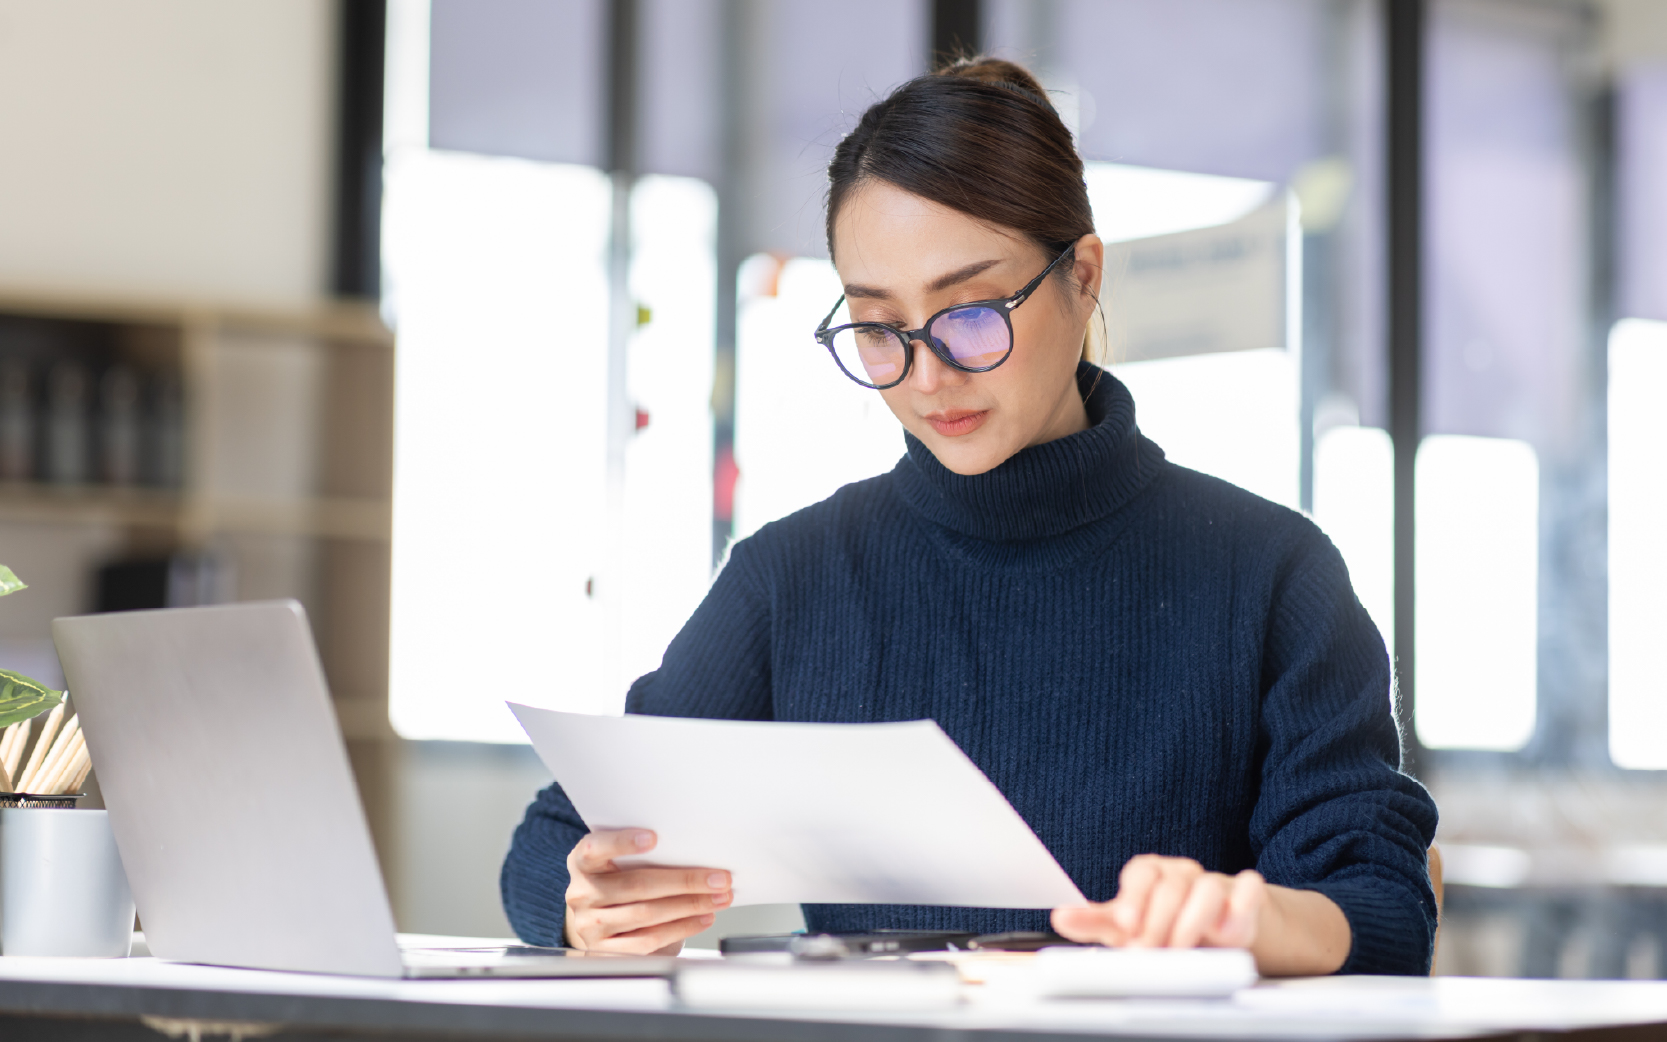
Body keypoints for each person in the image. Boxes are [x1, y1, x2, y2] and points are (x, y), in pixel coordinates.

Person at [502, 57, 1438, 977]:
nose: (930, 373)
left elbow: (1381, 900)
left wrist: (1253, 918)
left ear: (1082, 277)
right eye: (877, 327)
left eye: (973, 311)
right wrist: (587, 908)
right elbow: (556, 842)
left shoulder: (1268, 572)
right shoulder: (794, 578)